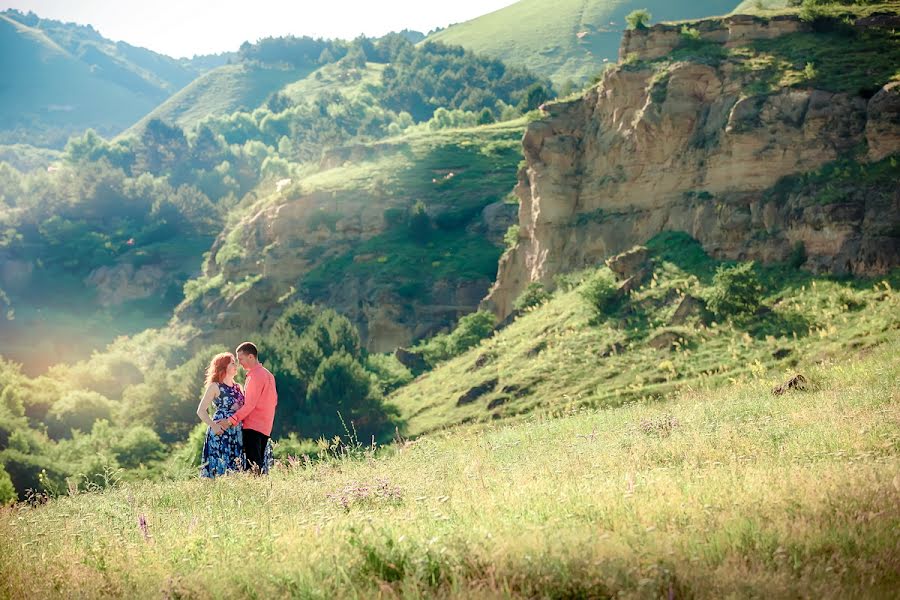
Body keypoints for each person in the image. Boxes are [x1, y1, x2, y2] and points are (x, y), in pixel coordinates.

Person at [217, 342, 277, 474]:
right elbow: (274, 402)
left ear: (251, 357)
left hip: (253, 427)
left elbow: (249, 405)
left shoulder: (255, 376)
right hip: (265, 428)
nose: (239, 363)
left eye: (241, 359)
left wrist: (230, 421)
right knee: (259, 467)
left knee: (253, 468)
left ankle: (255, 493)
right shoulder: (268, 375)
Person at [197, 352, 245, 477]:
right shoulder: (215, 386)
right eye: (232, 363)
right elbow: (201, 411)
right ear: (224, 366)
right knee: (219, 469)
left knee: (237, 470)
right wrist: (213, 426)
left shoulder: (239, 387)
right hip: (220, 432)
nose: (236, 365)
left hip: (237, 432)